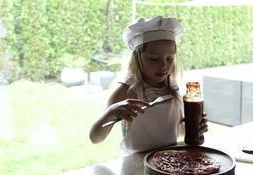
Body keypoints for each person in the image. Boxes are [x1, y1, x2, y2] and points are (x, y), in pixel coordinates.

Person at [89, 16, 208, 154]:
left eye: (169, 59)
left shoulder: (171, 88)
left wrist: (194, 126)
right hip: (136, 166)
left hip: (168, 162)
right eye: (153, 59)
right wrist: (110, 113)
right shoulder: (126, 91)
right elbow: (95, 138)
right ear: (137, 58)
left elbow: (176, 130)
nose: (163, 66)